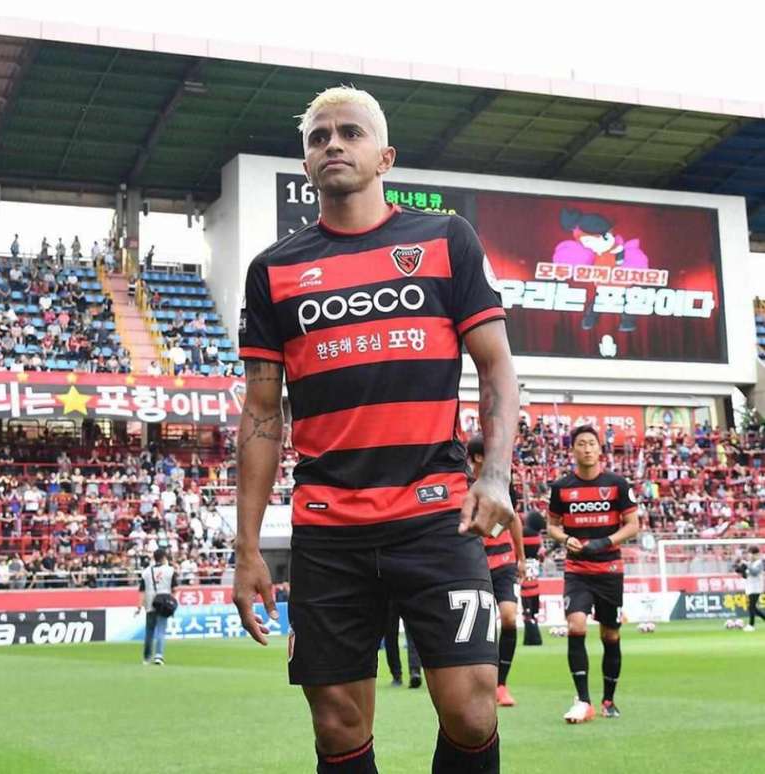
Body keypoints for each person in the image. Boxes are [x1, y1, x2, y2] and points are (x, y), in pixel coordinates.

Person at [232, 85, 518, 774]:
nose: (332, 143)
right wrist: (246, 548)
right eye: (318, 136)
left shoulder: (446, 239)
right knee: (337, 724)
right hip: (330, 529)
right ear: (305, 164)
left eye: (350, 133)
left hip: (435, 518)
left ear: (384, 155)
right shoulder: (273, 272)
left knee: (474, 707)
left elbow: (498, 368)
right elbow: (263, 413)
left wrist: (496, 473)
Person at [548, 425, 639, 723]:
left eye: (591, 444)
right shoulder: (561, 487)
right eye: (581, 444)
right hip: (577, 570)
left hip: (609, 569)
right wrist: (564, 539)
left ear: (600, 449)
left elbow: (633, 524)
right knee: (575, 626)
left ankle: (608, 700)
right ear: (572, 450)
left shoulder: (617, 484)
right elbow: (552, 525)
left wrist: (606, 541)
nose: (586, 448)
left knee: (610, 634)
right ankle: (583, 700)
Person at [467, 433, 524, 707]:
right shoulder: (463, 484)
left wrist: (521, 557)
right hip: (474, 564)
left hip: (503, 562)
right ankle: (478, 684)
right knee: (480, 627)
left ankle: (501, 684)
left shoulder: (502, 483)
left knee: (509, 618)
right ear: (479, 456)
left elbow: (512, 520)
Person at [136, 548, 177, 665]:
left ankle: (146, 657)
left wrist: (139, 606)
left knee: (149, 631)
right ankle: (159, 655)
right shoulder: (170, 570)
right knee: (161, 630)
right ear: (164, 557)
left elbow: (142, 590)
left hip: (150, 603)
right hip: (164, 602)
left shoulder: (146, 572)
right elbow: (174, 589)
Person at [520, 510, 545, 647]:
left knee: (527, 612)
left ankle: (532, 638)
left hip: (523, 581)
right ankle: (533, 637)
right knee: (533, 613)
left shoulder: (523, 534)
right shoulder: (537, 538)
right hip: (535, 581)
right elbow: (541, 556)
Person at [383, 601, 422, 689]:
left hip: (405, 593)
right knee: (390, 636)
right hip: (390, 594)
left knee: (410, 633)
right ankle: (405, 672)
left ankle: (412, 672)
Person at [737, 546, 765, 631]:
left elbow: (755, 572)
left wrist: (747, 565)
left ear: (756, 554)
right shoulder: (750, 563)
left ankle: (751, 625)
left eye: (751, 554)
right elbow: (745, 575)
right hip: (750, 587)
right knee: (753, 608)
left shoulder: (759, 562)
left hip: (756, 587)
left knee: (751, 607)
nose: (750, 556)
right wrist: (740, 569)